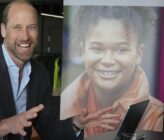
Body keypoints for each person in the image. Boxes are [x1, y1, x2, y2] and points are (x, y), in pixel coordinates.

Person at [0, 1, 120, 140]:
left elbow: (49, 128)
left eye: (31, 27)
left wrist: (76, 123)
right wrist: (4, 126)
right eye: (17, 27)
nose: (25, 36)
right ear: (3, 30)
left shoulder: (40, 74)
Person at [60, 6, 164, 137]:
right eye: (97, 49)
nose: (108, 60)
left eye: (121, 49)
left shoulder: (156, 117)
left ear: (138, 54)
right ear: (83, 51)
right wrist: (75, 126)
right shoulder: (65, 106)